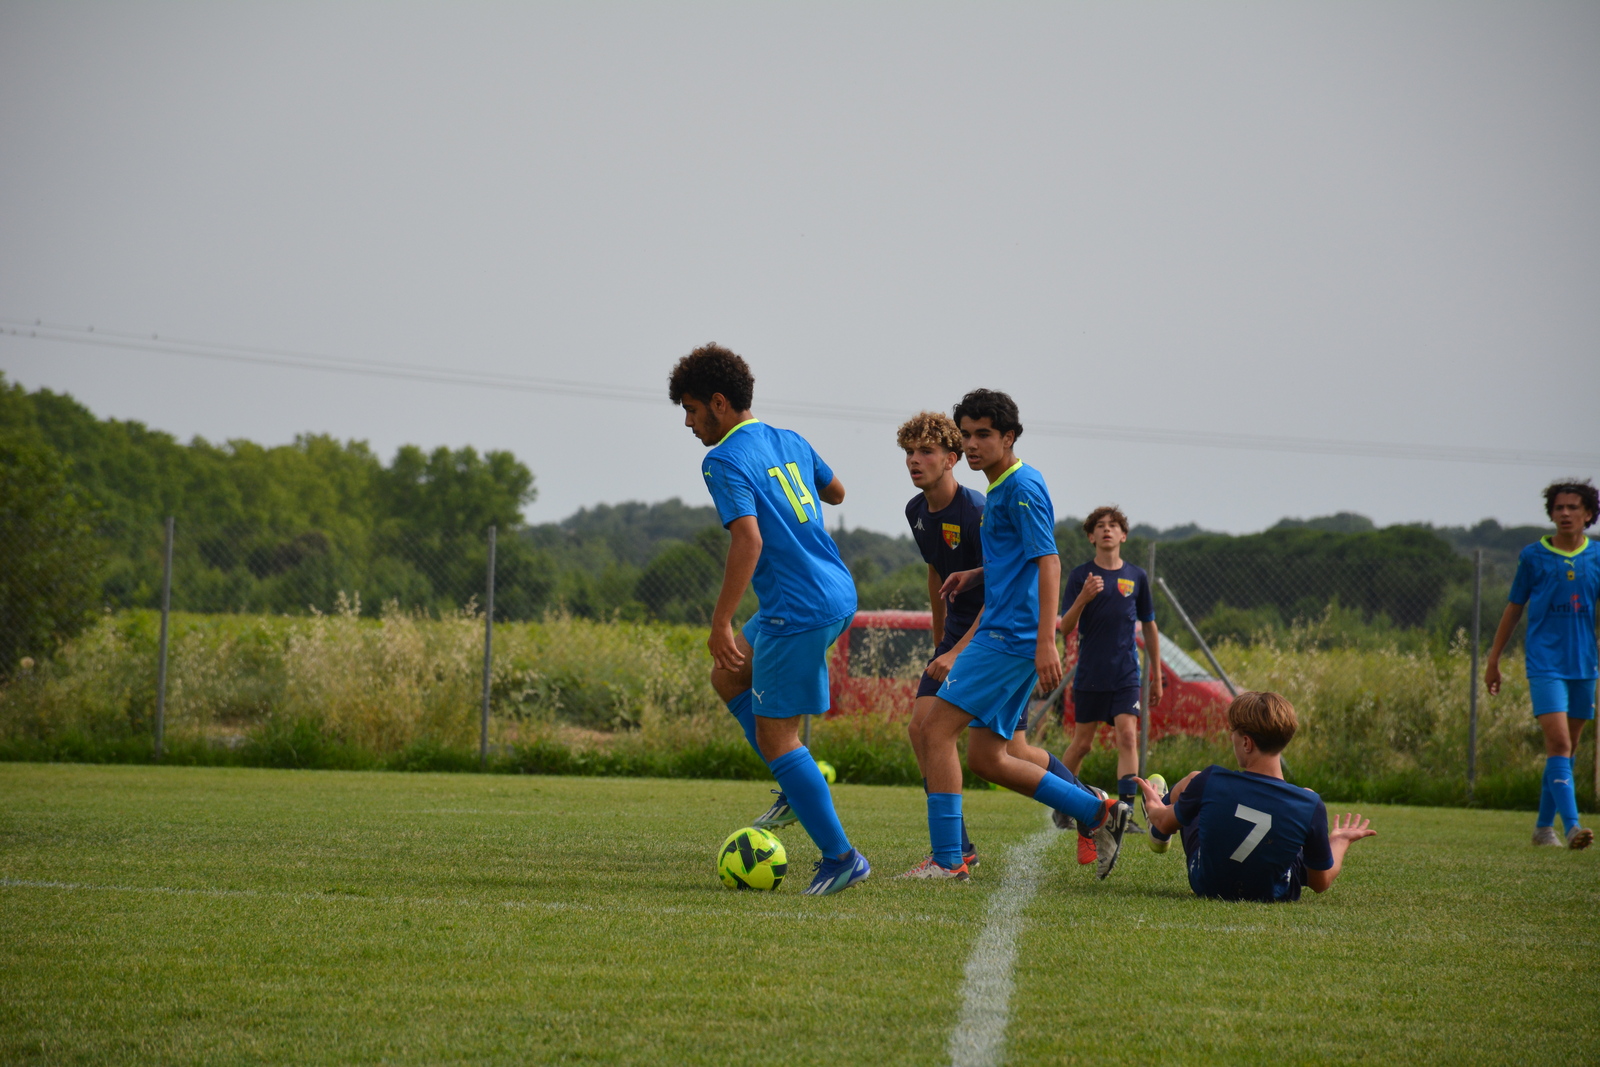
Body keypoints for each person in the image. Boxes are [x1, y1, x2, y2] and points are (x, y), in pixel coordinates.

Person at [670, 343, 870, 896]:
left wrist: (721, 622)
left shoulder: (722, 460)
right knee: (729, 677)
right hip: (835, 591)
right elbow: (836, 492)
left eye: (691, 410)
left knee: (777, 735)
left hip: (796, 608)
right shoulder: (789, 439)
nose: (688, 423)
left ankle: (842, 858)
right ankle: (794, 784)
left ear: (719, 403)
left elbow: (749, 540)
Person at [908, 389, 1131, 882]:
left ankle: (948, 861)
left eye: (983, 434)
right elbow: (1016, 560)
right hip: (1007, 633)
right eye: (966, 435)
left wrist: (1046, 639)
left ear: (1008, 437)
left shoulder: (1022, 485)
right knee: (989, 757)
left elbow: (1048, 561)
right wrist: (975, 574)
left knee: (933, 731)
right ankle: (1097, 812)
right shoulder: (999, 488)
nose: (971, 444)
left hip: (1008, 636)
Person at [1136, 691, 1376, 902]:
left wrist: (1154, 805)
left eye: (1233, 733)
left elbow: (1164, 820)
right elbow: (1320, 882)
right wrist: (1340, 841)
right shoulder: (1310, 804)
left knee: (1193, 781)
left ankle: (1158, 831)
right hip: (1274, 891)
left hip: (1208, 884)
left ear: (1247, 743)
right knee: (1299, 818)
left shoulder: (1211, 780)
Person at [1484, 479, 1599, 850]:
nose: (1564, 513)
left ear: (1588, 514)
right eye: (1558, 507)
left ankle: (1542, 829)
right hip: (1545, 662)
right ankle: (1572, 826)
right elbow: (1514, 607)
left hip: (1584, 664)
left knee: (1566, 749)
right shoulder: (1533, 556)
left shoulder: (1596, 556)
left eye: (1573, 507)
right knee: (1560, 742)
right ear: (1551, 513)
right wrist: (1494, 658)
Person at [1057, 506, 1162, 863]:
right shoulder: (1080, 576)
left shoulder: (1136, 577)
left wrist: (1156, 674)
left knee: (1127, 736)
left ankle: (1126, 812)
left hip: (1126, 675)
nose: (1106, 530)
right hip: (1090, 674)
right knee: (1082, 744)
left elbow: (1150, 626)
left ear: (1123, 535)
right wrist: (1084, 597)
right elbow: (1065, 627)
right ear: (1090, 536)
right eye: (1099, 526)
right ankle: (1061, 802)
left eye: (1113, 525)